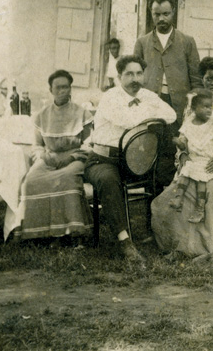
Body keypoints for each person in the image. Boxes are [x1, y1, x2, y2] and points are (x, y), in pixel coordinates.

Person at [83, 55, 177, 267]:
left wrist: (145, 108)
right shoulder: (110, 97)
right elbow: (128, 120)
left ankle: (153, 232)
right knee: (108, 181)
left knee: (162, 173)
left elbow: (170, 115)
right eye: (129, 74)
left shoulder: (147, 94)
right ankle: (124, 241)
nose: (135, 79)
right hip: (103, 159)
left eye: (139, 74)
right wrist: (149, 112)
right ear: (119, 77)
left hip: (134, 161)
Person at [151, 57, 213, 262]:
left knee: (212, 192)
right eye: (208, 79)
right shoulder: (193, 103)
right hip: (195, 161)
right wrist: (183, 154)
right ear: (202, 78)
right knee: (176, 194)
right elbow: (186, 135)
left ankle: (212, 249)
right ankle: (181, 245)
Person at [133, 0, 202, 190]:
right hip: (151, 105)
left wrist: (192, 107)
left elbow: (196, 80)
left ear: (173, 13)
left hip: (179, 104)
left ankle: (174, 197)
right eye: (156, 14)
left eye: (166, 14)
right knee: (151, 149)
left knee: (176, 151)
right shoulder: (142, 42)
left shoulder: (187, 41)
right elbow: (135, 79)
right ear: (151, 14)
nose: (161, 19)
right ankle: (151, 196)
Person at [19, 70, 94, 240]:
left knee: (67, 177)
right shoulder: (42, 115)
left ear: (70, 89)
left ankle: (70, 231)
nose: (62, 91)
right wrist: (44, 156)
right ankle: (39, 233)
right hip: (49, 157)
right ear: (50, 89)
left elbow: (88, 144)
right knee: (31, 180)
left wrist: (72, 158)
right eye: (58, 87)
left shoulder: (82, 113)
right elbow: (37, 145)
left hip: (76, 157)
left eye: (65, 87)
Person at [169, 90, 213, 223]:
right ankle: (178, 196)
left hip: (207, 159)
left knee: (201, 180)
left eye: (210, 107)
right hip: (194, 158)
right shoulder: (189, 123)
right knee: (185, 172)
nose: (209, 110)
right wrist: (180, 143)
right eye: (204, 107)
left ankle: (200, 209)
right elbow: (184, 143)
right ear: (194, 109)